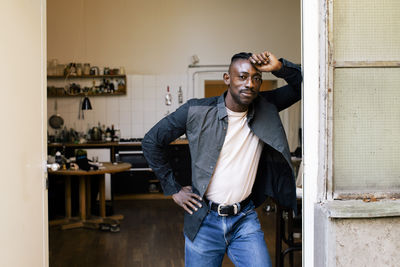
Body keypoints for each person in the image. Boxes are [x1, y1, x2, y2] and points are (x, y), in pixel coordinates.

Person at [142, 51, 302, 267]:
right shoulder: (196, 110)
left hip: (244, 219)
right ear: (227, 79)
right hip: (204, 220)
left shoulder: (266, 106)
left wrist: (279, 67)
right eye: (242, 77)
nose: (250, 84)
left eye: (256, 78)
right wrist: (173, 188)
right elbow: (151, 141)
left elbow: (304, 86)